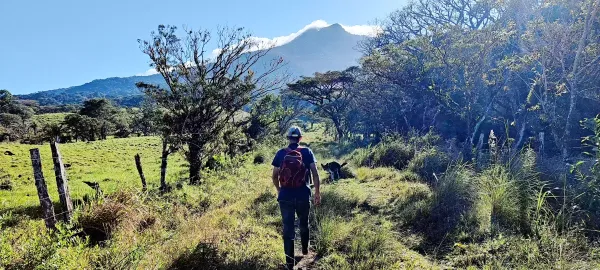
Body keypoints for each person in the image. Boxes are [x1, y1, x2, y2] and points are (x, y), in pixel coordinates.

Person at [271, 126, 321, 269]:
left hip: (285, 195)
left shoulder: (281, 153)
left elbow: (274, 176)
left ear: (288, 138)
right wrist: (317, 192)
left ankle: (289, 263)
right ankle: (305, 250)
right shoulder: (307, 152)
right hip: (303, 195)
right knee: (304, 223)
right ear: (300, 138)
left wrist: (279, 190)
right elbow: (315, 174)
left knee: (288, 229)